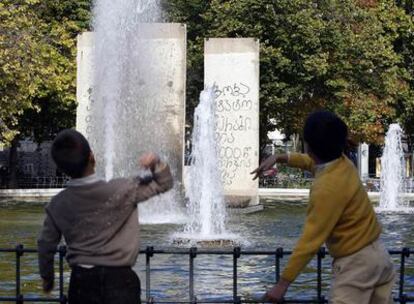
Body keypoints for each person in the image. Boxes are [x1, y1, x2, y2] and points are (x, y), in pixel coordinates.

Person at [251, 111, 395, 304]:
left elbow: (310, 241)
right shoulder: (343, 163)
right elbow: (313, 162)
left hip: (356, 267)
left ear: (309, 146)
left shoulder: (326, 188)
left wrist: (282, 284)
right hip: (379, 258)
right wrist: (280, 157)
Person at [37, 129, 173, 304]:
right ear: (92, 157)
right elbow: (165, 183)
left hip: (81, 283)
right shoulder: (124, 189)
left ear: (61, 168)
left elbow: (45, 244)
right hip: (121, 281)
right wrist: (155, 162)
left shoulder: (57, 204)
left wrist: (47, 278)